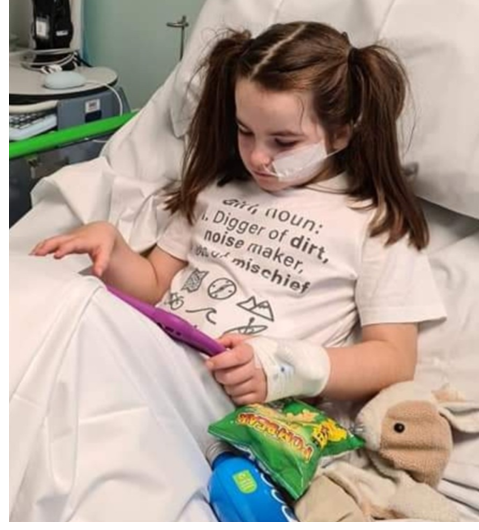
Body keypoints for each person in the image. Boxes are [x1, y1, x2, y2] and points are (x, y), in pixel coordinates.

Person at [31, 21, 445, 408]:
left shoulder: (374, 224)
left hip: (227, 402)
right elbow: (155, 284)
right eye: (245, 131)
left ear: (341, 133)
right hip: (146, 360)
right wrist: (114, 248)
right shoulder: (218, 190)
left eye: (284, 141)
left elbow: (393, 359)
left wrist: (286, 368)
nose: (258, 157)